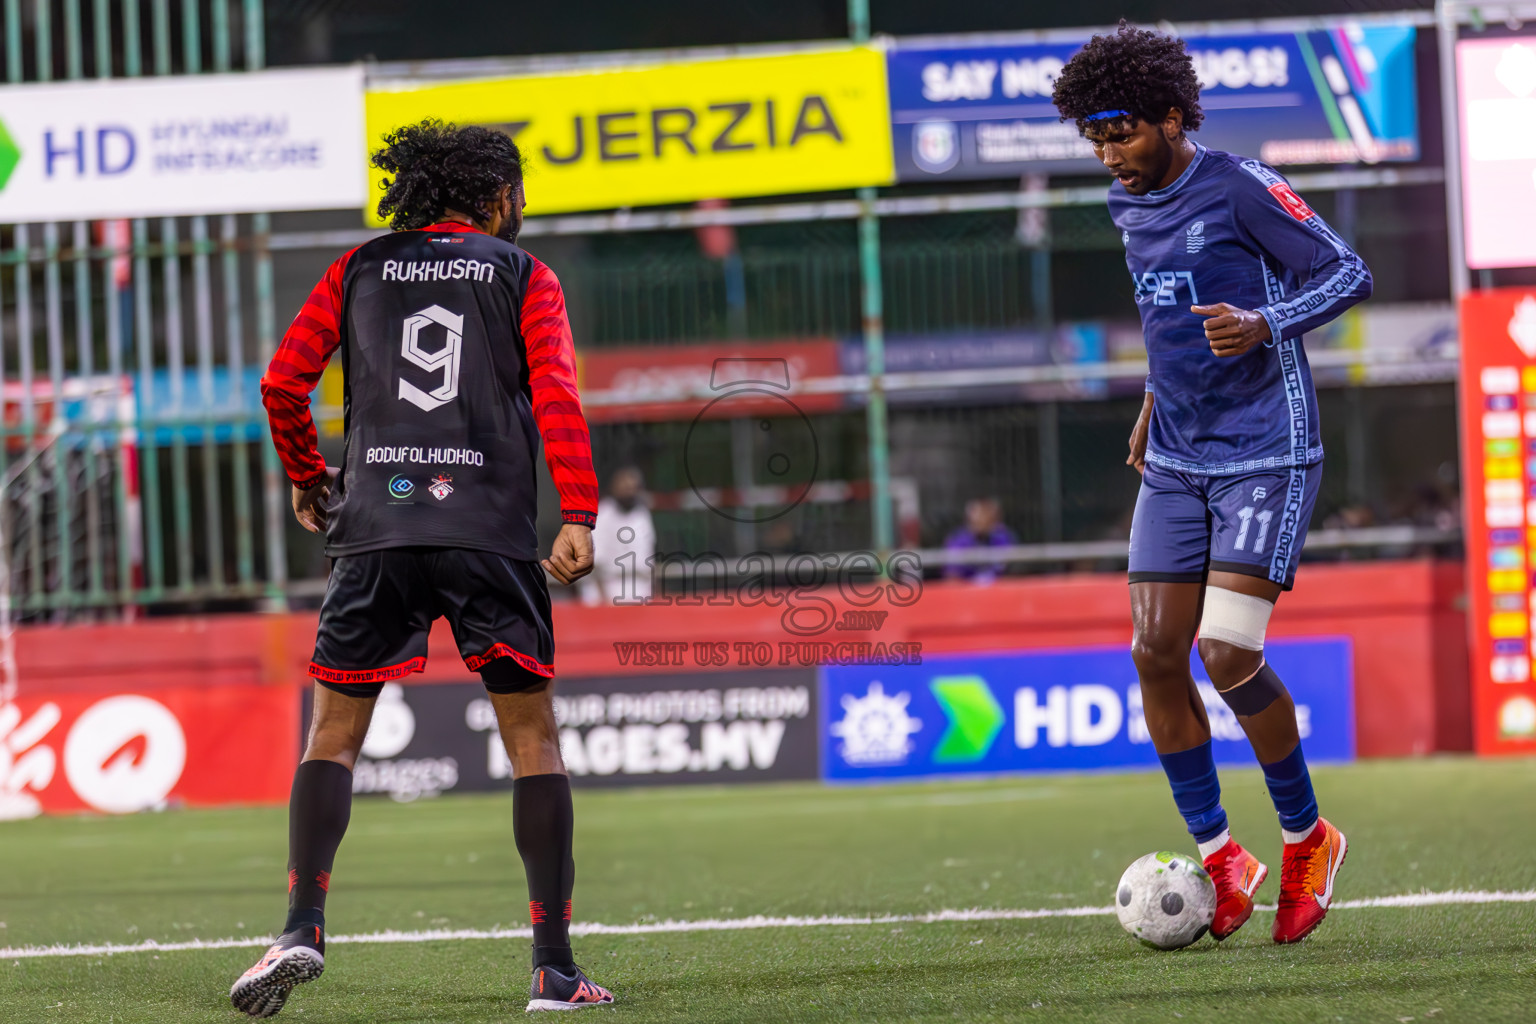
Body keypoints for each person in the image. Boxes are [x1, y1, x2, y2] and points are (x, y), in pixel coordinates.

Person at [234, 120, 613, 1017]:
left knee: (331, 738)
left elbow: (284, 384)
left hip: (377, 527)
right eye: (516, 191)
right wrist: (580, 511)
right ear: (493, 195)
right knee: (533, 743)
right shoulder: (524, 274)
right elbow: (557, 392)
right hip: (488, 532)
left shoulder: (358, 267)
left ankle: (299, 929)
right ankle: (554, 971)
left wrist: (307, 475)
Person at [1052, 23, 1371, 945]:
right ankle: (1224, 854)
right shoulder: (1129, 204)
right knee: (1156, 650)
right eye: (1095, 138)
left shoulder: (1237, 185)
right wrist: (1157, 394)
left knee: (1225, 655)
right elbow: (1169, 316)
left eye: (1123, 132)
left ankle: (1310, 835)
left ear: (1172, 115)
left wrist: (1266, 321)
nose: (1111, 154)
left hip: (1267, 448)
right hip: (1179, 456)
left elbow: (1348, 270)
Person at [579, 466, 656, 606]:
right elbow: (593, 560)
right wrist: (602, 598)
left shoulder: (642, 515)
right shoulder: (602, 514)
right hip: (608, 591)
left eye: (633, 488)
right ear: (614, 488)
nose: (630, 492)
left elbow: (649, 555)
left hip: (639, 590)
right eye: (626, 488)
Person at [942, 497, 1017, 584]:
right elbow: (952, 577)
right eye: (979, 514)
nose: (982, 519)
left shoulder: (1004, 537)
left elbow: (1012, 571)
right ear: (969, 518)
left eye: (986, 514)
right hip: (967, 590)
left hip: (997, 590)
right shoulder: (957, 540)